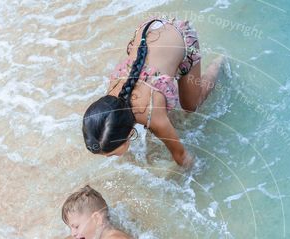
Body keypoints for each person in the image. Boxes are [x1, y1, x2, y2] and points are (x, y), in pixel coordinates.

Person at [82, 17, 224, 167]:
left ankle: (221, 63)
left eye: (111, 154)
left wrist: (191, 182)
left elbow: (182, 157)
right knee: (161, 109)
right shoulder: (109, 103)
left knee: (191, 106)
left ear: (128, 133)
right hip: (149, 31)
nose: (108, 157)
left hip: (180, 36)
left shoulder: (151, 114)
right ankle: (168, 69)